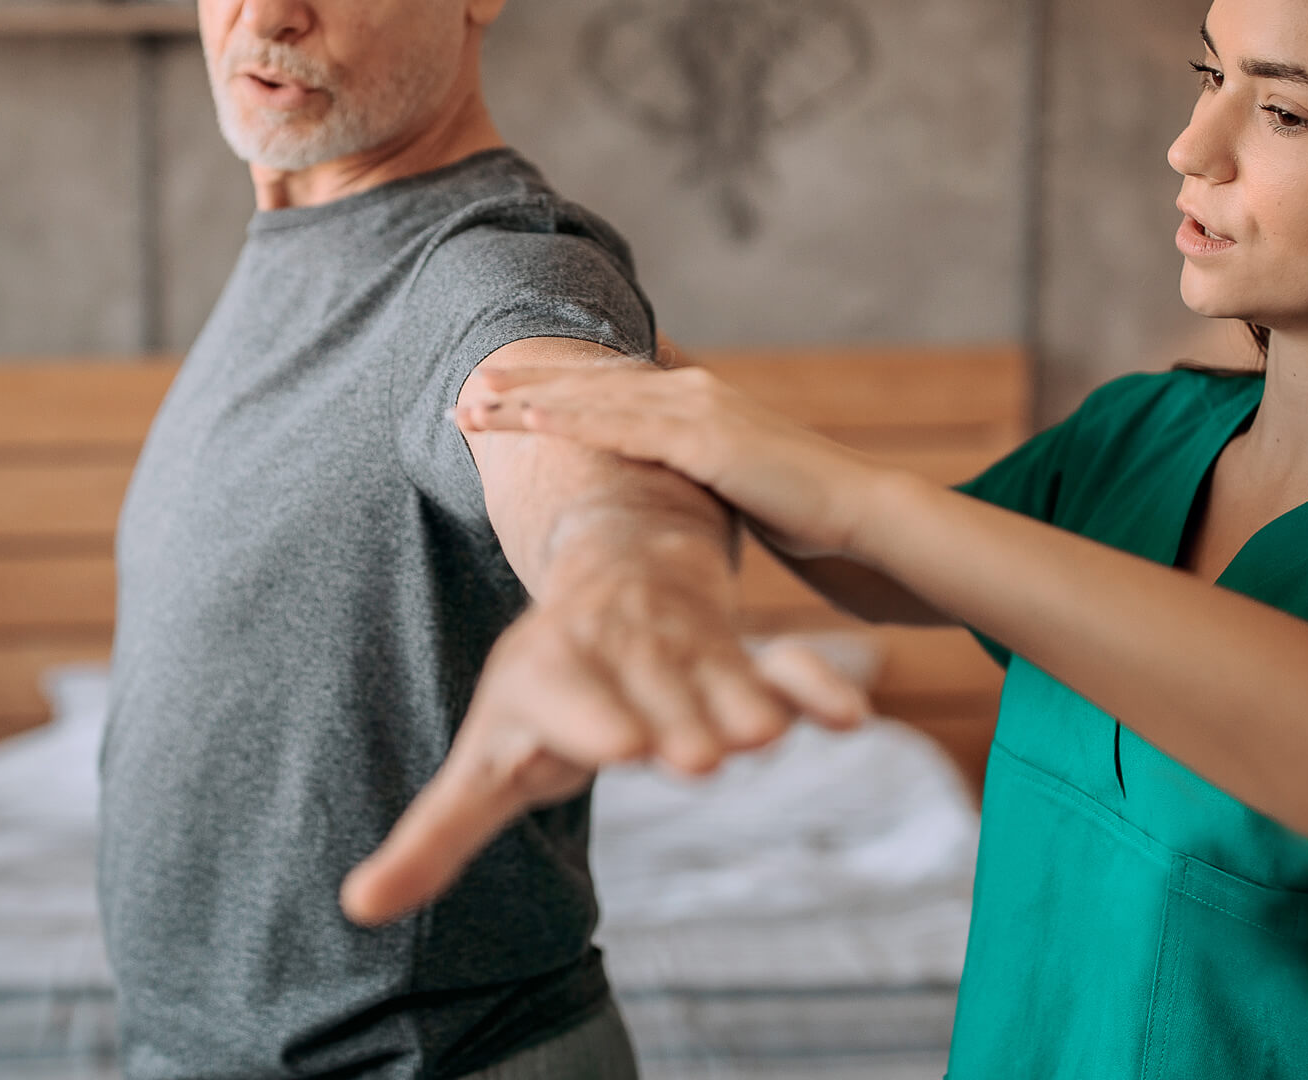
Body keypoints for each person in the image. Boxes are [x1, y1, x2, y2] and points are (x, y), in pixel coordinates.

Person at [341, 0, 1308, 1074]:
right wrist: (576, 329)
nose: (1192, 144)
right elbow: (881, 564)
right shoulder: (1143, 438)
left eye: (1280, 111)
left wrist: (857, 491)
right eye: (1208, 79)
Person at [95, 0, 865, 1077]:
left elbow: (561, 405)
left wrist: (621, 576)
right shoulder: (306, 235)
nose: (268, 13)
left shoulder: (495, 262)